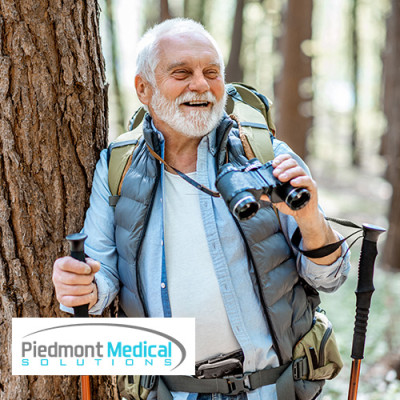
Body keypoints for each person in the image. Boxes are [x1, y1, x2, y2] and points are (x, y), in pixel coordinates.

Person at [52, 18, 351, 400]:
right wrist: (82, 287)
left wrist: (311, 221)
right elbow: (103, 278)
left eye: (212, 73)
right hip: (173, 392)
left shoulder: (266, 156)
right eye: (182, 72)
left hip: (273, 388)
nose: (201, 84)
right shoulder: (117, 167)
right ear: (144, 89)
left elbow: (330, 279)